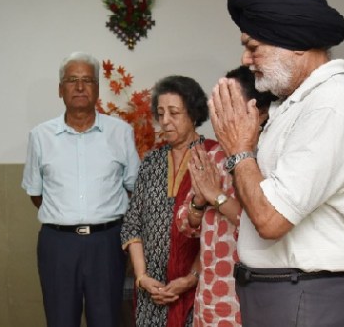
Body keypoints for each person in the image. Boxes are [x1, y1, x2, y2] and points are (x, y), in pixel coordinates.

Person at [209, 0, 344, 326]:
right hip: (281, 293)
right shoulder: (294, 104)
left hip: (305, 297)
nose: (246, 60)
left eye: (253, 47)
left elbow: (271, 219)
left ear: (294, 45)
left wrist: (239, 151)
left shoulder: (329, 105)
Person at [22, 51, 140, 327]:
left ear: (97, 89)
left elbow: (134, 188)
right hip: (58, 245)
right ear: (60, 89)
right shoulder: (40, 136)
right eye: (72, 80)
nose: (79, 87)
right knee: (60, 320)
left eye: (87, 80)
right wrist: (69, 217)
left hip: (108, 243)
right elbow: (36, 193)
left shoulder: (120, 132)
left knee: (107, 320)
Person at [174, 66, 277, 327]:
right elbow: (185, 225)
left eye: (229, 106)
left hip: (247, 296)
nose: (219, 115)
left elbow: (266, 227)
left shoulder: (269, 156)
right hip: (209, 294)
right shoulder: (214, 154)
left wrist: (216, 197)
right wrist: (199, 201)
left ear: (260, 111)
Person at [120, 75, 210, 327]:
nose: (165, 121)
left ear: (193, 113)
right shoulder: (151, 161)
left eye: (174, 112)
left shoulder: (213, 157)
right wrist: (142, 277)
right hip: (152, 291)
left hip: (198, 287)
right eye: (160, 114)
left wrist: (191, 278)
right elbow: (132, 225)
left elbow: (218, 230)